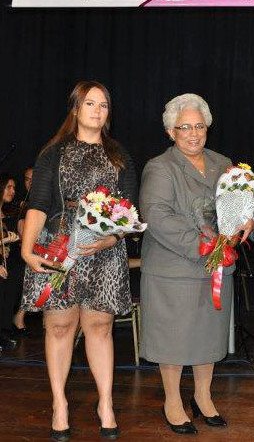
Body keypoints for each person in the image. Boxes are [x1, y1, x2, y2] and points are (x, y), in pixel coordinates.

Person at [19, 81, 136, 440]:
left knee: (100, 329)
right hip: (59, 245)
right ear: (75, 109)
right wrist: (26, 250)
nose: (97, 110)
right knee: (59, 328)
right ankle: (60, 404)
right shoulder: (52, 154)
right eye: (90, 103)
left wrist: (112, 237)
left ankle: (106, 404)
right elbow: (38, 204)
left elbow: (130, 209)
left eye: (103, 104)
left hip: (104, 251)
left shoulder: (120, 155)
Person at [139, 93, 254, 434]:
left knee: (209, 337)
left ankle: (204, 398)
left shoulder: (224, 163)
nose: (194, 133)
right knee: (173, 341)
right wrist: (207, 247)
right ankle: (173, 401)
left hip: (217, 268)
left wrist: (248, 221)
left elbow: (242, 204)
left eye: (200, 126)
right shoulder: (159, 167)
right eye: (185, 127)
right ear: (171, 131)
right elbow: (158, 217)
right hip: (175, 269)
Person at [12, 167, 34, 336]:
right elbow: (21, 230)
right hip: (23, 251)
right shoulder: (21, 204)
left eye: (34, 178)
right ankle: (19, 316)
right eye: (27, 179)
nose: (31, 182)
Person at [0, 174, 21, 350]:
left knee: (11, 286)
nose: (13, 191)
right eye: (9, 187)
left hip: (3, 262)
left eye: (14, 188)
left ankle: (4, 331)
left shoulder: (4, 213)